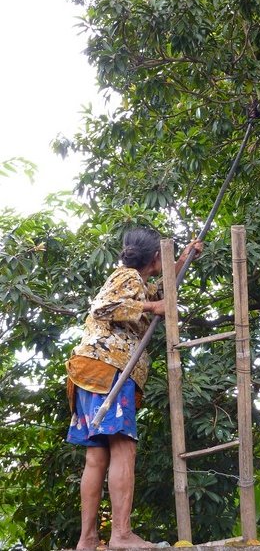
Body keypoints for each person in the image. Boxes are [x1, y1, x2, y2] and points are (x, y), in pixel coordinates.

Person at [65, 227, 203, 550]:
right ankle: (121, 535)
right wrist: (152, 309)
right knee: (123, 447)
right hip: (109, 368)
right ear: (154, 258)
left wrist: (184, 259)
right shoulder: (127, 278)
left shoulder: (137, 284)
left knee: (97, 455)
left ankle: (87, 540)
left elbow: (158, 292)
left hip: (88, 372)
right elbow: (103, 306)